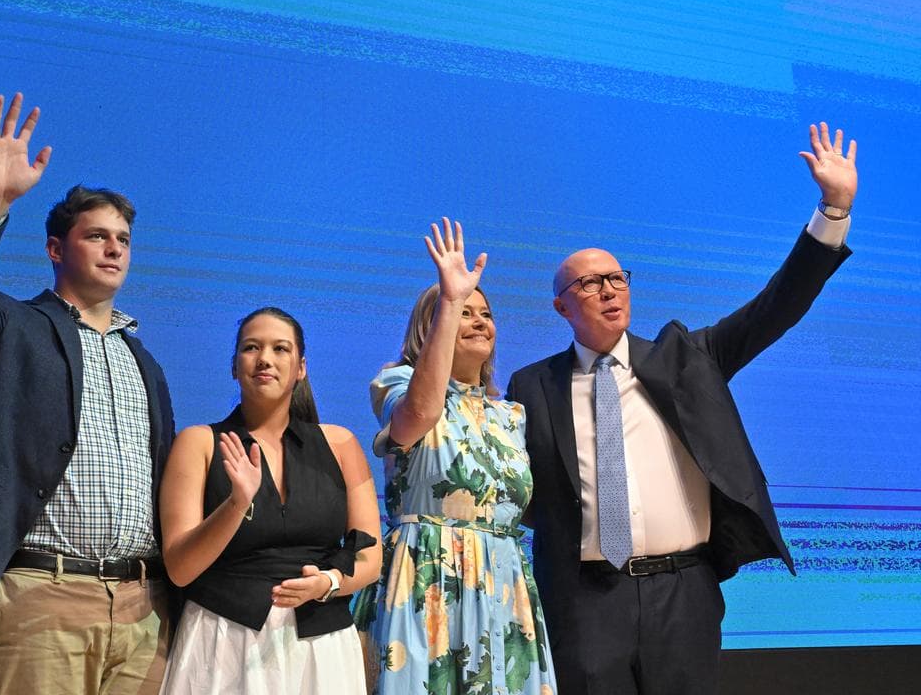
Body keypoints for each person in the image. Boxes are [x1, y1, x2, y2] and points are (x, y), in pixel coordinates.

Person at [504, 122, 857, 695]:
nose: (610, 290)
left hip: (683, 591)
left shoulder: (688, 356)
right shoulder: (531, 385)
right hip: (584, 598)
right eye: (590, 284)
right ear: (561, 305)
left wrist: (833, 210)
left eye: (617, 278)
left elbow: (777, 305)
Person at [0, 93, 176, 695]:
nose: (114, 248)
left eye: (123, 239)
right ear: (57, 250)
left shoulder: (147, 361)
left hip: (141, 608)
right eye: (97, 236)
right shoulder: (15, 326)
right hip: (42, 596)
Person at [360, 219, 557, 695]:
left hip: (504, 587)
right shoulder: (397, 383)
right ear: (431, 327)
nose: (479, 321)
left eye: (484, 314)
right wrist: (450, 298)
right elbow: (416, 419)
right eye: (464, 312)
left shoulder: (511, 415)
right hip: (426, 579)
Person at [158, 307, 381, 694]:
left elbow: (370, 557)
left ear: (301, 368)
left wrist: (327, 583)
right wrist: (235, 505)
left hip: (322, 648)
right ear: (234, 366)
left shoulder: (341, 443)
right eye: (251, 347)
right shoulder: (199, 443)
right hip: (223, 640)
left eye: (280, 349)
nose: (265, 359)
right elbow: (180, 568)